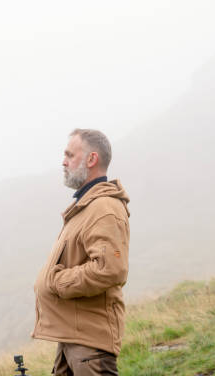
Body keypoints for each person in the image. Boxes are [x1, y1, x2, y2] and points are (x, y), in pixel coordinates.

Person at [31, 129, 130, 376]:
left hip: (90, 344)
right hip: (73, 339)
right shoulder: (85, 207)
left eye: (69, 155)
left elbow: (110, 269)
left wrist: (57, 282)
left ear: (91, 159)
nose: (63, 162)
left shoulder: (104, 207)